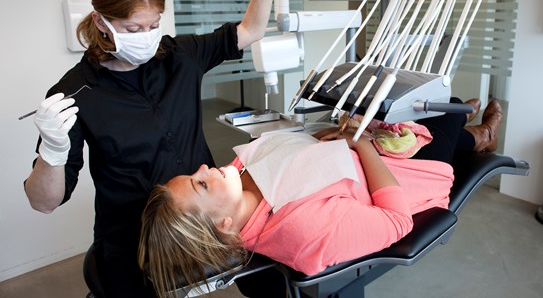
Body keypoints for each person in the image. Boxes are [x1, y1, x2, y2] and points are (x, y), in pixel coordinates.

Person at [23, 0, 281, 297]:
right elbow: (44, 202)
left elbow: (251, 31)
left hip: (205, 224)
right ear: (102, 22)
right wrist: (52, 153)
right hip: (131, 241)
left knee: (275, 277)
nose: (146, 38)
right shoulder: (75, 93)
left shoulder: (179, 56)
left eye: (153, 25)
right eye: (133, 29)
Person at [138, 98, 503, 298]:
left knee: (435, 108)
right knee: (446, 106)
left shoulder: (237, 174)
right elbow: (397, 221)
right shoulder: (302, 231)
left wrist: (331, 134)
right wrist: (361, 144)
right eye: (200, 184)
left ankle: (474, 132)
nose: (204, 167)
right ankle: (478, 133)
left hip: (371, 149)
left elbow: (298, 157)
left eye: (193, 175)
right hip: (411, 173)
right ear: (223, 224)